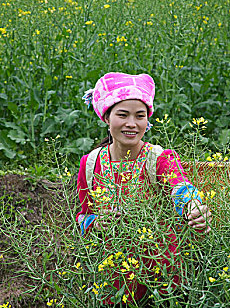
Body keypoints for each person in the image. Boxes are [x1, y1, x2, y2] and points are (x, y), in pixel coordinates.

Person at [76, 72, 211, 305]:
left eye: (140, 116)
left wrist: (195, 209)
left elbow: (181, 189)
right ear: (106, 118)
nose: (132, 123)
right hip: (114, 280)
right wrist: (98, 223)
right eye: (122, 115)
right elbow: (83, 216)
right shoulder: (90, 164)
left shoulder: (159, 158)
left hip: (164, 280)